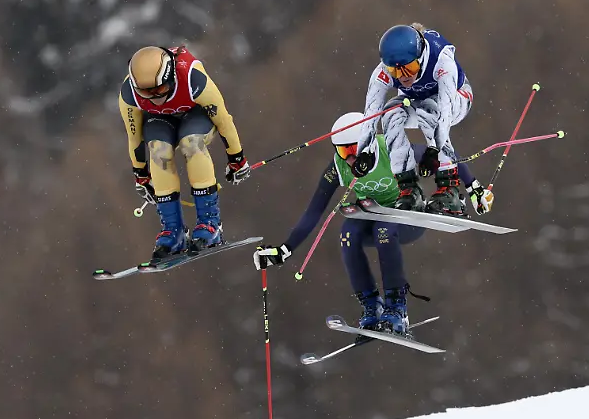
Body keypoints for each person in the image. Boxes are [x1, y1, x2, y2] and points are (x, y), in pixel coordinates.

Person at [253, 112, 494, 335]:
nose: (350, 158)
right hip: (373, 218)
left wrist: (474, 188)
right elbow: (313, 212)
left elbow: (443, 155)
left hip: (408, 220)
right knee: (348, 232)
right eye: (343, 151)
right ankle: (372, 306)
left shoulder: (391, 148)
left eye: (354, 149)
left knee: (383, 229)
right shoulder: (337, 168)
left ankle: (397, 308)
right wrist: (285, 249)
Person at [118, 45, 251, 260]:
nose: (154, 97)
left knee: (192, 144)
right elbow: (134, 138)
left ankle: (210, 224)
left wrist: (237, 158)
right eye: (146, 92)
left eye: (159, 89)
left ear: (170, 75)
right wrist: (141, 176)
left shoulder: (192, 78)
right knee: (158, 150)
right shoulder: (129, 94)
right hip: (160, 120)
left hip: (195, 114)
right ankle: (173, 231)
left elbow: (224, 120)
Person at [353, 22, 491, 216]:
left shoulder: (442, 61)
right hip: (416, 102)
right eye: (396, 71)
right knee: (390, 113)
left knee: (430, 109)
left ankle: (449, 189)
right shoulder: (384, 71)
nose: (403, 76)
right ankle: (409, 189)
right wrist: (365, 151)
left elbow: (444, 111)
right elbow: (371, 112)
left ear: (421, 55)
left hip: (457, 100)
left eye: (409, 67)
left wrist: (434, 150)